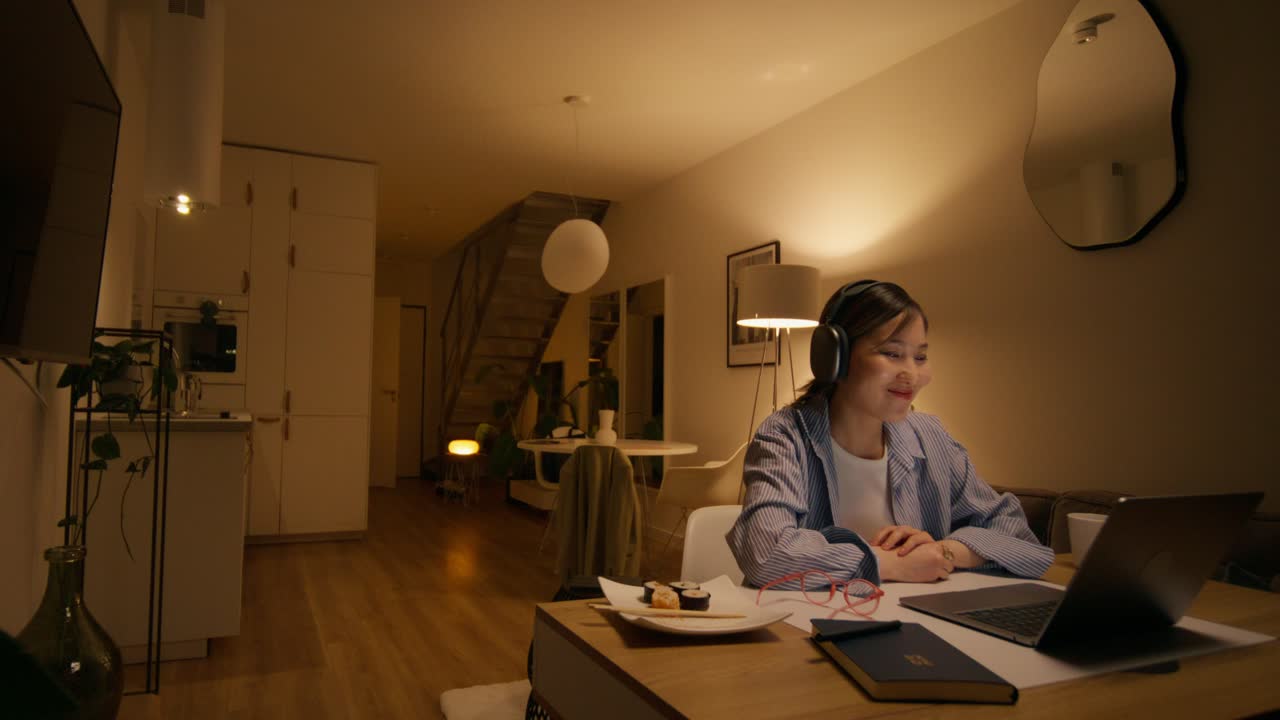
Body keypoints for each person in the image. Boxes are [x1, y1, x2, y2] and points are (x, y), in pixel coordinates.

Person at [727, 280, 1053, 588]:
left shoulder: (932, 436)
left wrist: (946, 552)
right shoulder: (785, 435)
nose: (912, 373)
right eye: (892, 353)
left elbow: (1017, 535)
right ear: (834, 357)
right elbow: (764, 552)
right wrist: (891, 563)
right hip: (805, 630)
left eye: (921, 357)